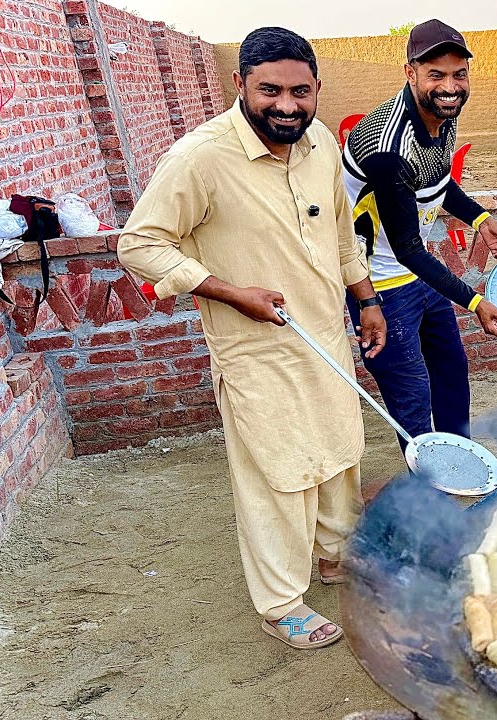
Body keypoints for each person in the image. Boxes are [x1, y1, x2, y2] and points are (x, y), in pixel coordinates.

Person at [118, 27, 385, 650]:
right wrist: (229, 291)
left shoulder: (319, 140)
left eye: (300, 91)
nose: (286, 106)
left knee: (339, 452)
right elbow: (139, 243)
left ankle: (333, 556)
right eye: (270, 90)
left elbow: (342, 233)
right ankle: (281, 602)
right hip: (254, 346)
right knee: (277, 472)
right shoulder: (198, 158)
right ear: (240, 85)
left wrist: (365, 298)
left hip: (325, 332)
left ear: (317, 89)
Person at [342, 19, 497, 445]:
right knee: (413, 401)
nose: (451, 86)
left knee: (451, 373)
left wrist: (479, 218)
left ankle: (463, 464)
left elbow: (436, 180)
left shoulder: (441, 110)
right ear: (411, 73)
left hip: (419, 273)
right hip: (381, 284)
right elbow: (406, 249)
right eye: (436, 75)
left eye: (459, 74)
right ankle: (432, 500)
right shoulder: (387, 148)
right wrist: (475, 301)